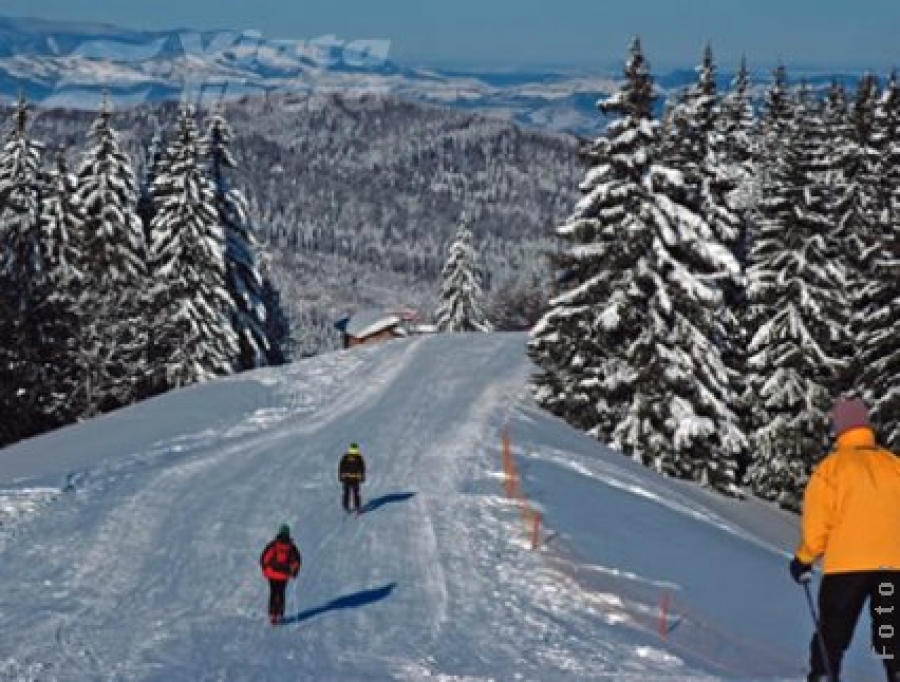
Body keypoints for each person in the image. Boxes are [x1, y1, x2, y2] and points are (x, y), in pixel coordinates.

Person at [789, 396, 900, 681]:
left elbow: (818, 524)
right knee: (892, 633)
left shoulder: (831, 469)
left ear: (838, 429)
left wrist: (804, 558)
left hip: (846, 570)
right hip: (892, 567)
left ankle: (825, 675)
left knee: (834, 633)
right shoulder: (894, 465)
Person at [259, 524, 302, 625]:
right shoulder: (291, 547)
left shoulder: (274, 544)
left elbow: (264, 558)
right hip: (284, 575)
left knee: (273, 593)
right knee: (281, 593)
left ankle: (272, 615)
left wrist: (265, 569)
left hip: (272, 573)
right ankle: (280, 615)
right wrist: (294, 572)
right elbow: (296, 561)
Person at [339, 442, 366, 514]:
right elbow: (362, 468)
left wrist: (341, 476)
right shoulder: (358, 457)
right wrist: (362, 477)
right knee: (354, 493)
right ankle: (356, 507)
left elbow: (341, 467)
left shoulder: (346, 456)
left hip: (349, 478)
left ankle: (347, 506)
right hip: (353, 478)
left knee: (348, 493)